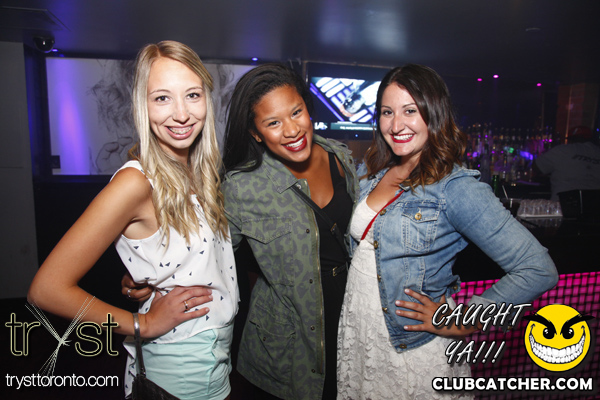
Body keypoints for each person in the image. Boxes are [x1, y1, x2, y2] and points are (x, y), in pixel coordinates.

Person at [28, 40, 239, 400]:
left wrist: (144, 277)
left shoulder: (199, 172)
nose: (181, 113)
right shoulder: (135, 182)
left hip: (214, 358)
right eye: (162, 98)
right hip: (179, 366)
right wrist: (143, 324)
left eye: (192, 95)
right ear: (143, 105)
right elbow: (46, 289)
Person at [336, 64, 558, 400]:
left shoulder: (455, 187)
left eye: (410, 111)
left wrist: (463, 320)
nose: (396, 125)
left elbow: (537, 268)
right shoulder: (372, 170)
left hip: (412, 347)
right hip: (361, 331)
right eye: (387, 112)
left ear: (434, 113)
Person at [222, 63, 359, 400]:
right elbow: (207, 256)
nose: (292, 130)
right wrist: (150, 279)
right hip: (289, 341)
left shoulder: (340, 157)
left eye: (296, 112)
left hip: (350, 320)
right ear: (256, 133)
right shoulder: (242, 188)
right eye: (273, 122)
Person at [534, 125, 600, 201]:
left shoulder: (562, 150)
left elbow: (536, 167)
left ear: (570, 139)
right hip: (595, 205)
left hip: (563, 204)